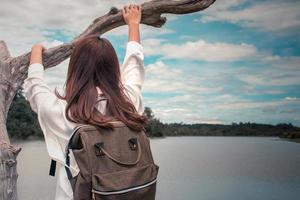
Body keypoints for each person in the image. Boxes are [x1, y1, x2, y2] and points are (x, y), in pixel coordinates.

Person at [23, 4, 147, 200]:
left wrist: (36, 52)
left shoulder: (65, 112)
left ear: (75, 69)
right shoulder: (128, 103)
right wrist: (133, 24)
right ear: (113, 68)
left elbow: (34, 87)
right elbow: (134, 65)